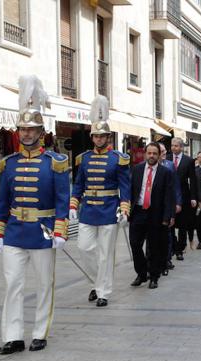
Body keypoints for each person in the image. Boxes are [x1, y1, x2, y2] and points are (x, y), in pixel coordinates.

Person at [0, 75, 70, 354]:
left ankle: (39, 332)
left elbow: (63, 200)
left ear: (41, 132)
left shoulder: (56, 163)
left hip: (42, 232)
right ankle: (13, 336)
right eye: (22, 129)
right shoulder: (8, 164)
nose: (26, 134)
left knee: (44, 285)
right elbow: (2, 202)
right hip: (14, 231)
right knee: (13, 284)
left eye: (31, 129)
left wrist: (60, 230)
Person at [69, 95, 131, 307]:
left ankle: (103, 291)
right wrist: (74, 203)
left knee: (105, 254)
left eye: (101, 136)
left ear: (108, 137)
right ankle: (97, 282)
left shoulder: (118, 158)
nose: (98, 139)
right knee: (84, 248)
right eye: (95, 136)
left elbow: (125, 186)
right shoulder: (84, 158)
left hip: (108, 209)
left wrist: (124, 209)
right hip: (88, 210)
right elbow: (78, 184)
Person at [129, 142, 175, 289]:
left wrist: (168, 217)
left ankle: (154, 276)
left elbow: (169, 196)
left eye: (155, 153)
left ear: (159, 155)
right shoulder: (136, 170)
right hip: (138, 212)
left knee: (154, 247)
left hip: (156, 214)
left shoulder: (165, 172)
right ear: (145, 154)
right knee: (135, 244)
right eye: (149, 153)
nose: (152, 156)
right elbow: (130, 191)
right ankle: (142, 273)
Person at [168, 138, 198, 261]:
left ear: (181, 147)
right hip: (169, 195)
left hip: (184, 196)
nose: (173, 148)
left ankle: (180, 249)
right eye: (172, 145)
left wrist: (193, 197)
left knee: (182, 225)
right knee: (169, 224)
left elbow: (193, 180)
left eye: (176, 146)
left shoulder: (189, 161)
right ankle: (172, 247)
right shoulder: (167, 158)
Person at [159, 143, 182, 275]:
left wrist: (178, 203)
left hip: (168, 205)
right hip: (153, 206)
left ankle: (167, 259)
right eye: (160, 151)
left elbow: (175, 186)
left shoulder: (169, 165)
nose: (162, 153)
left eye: (163, 151)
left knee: (168, 234)